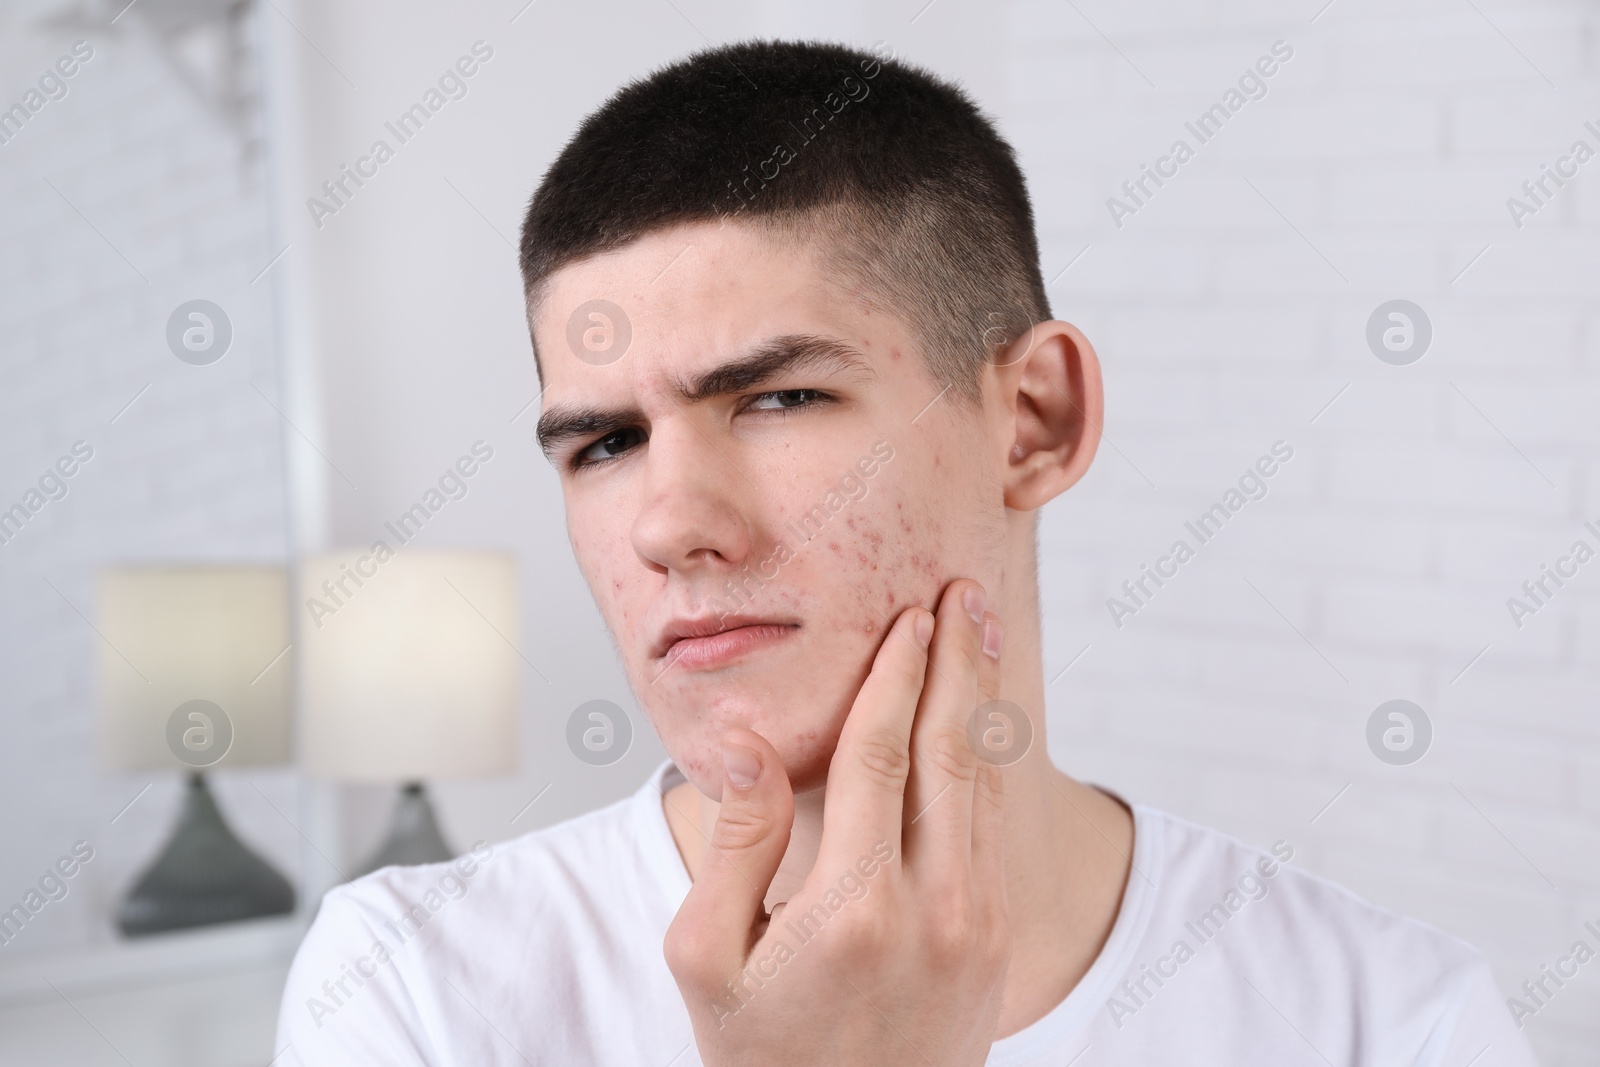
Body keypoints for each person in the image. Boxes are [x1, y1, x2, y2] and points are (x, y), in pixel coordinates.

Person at [276, 40, 1536, 1065]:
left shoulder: (1394, 1020)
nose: (667, 523)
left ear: (1033, 421)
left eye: (777, 400)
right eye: (604, 441)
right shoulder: (417, 988)